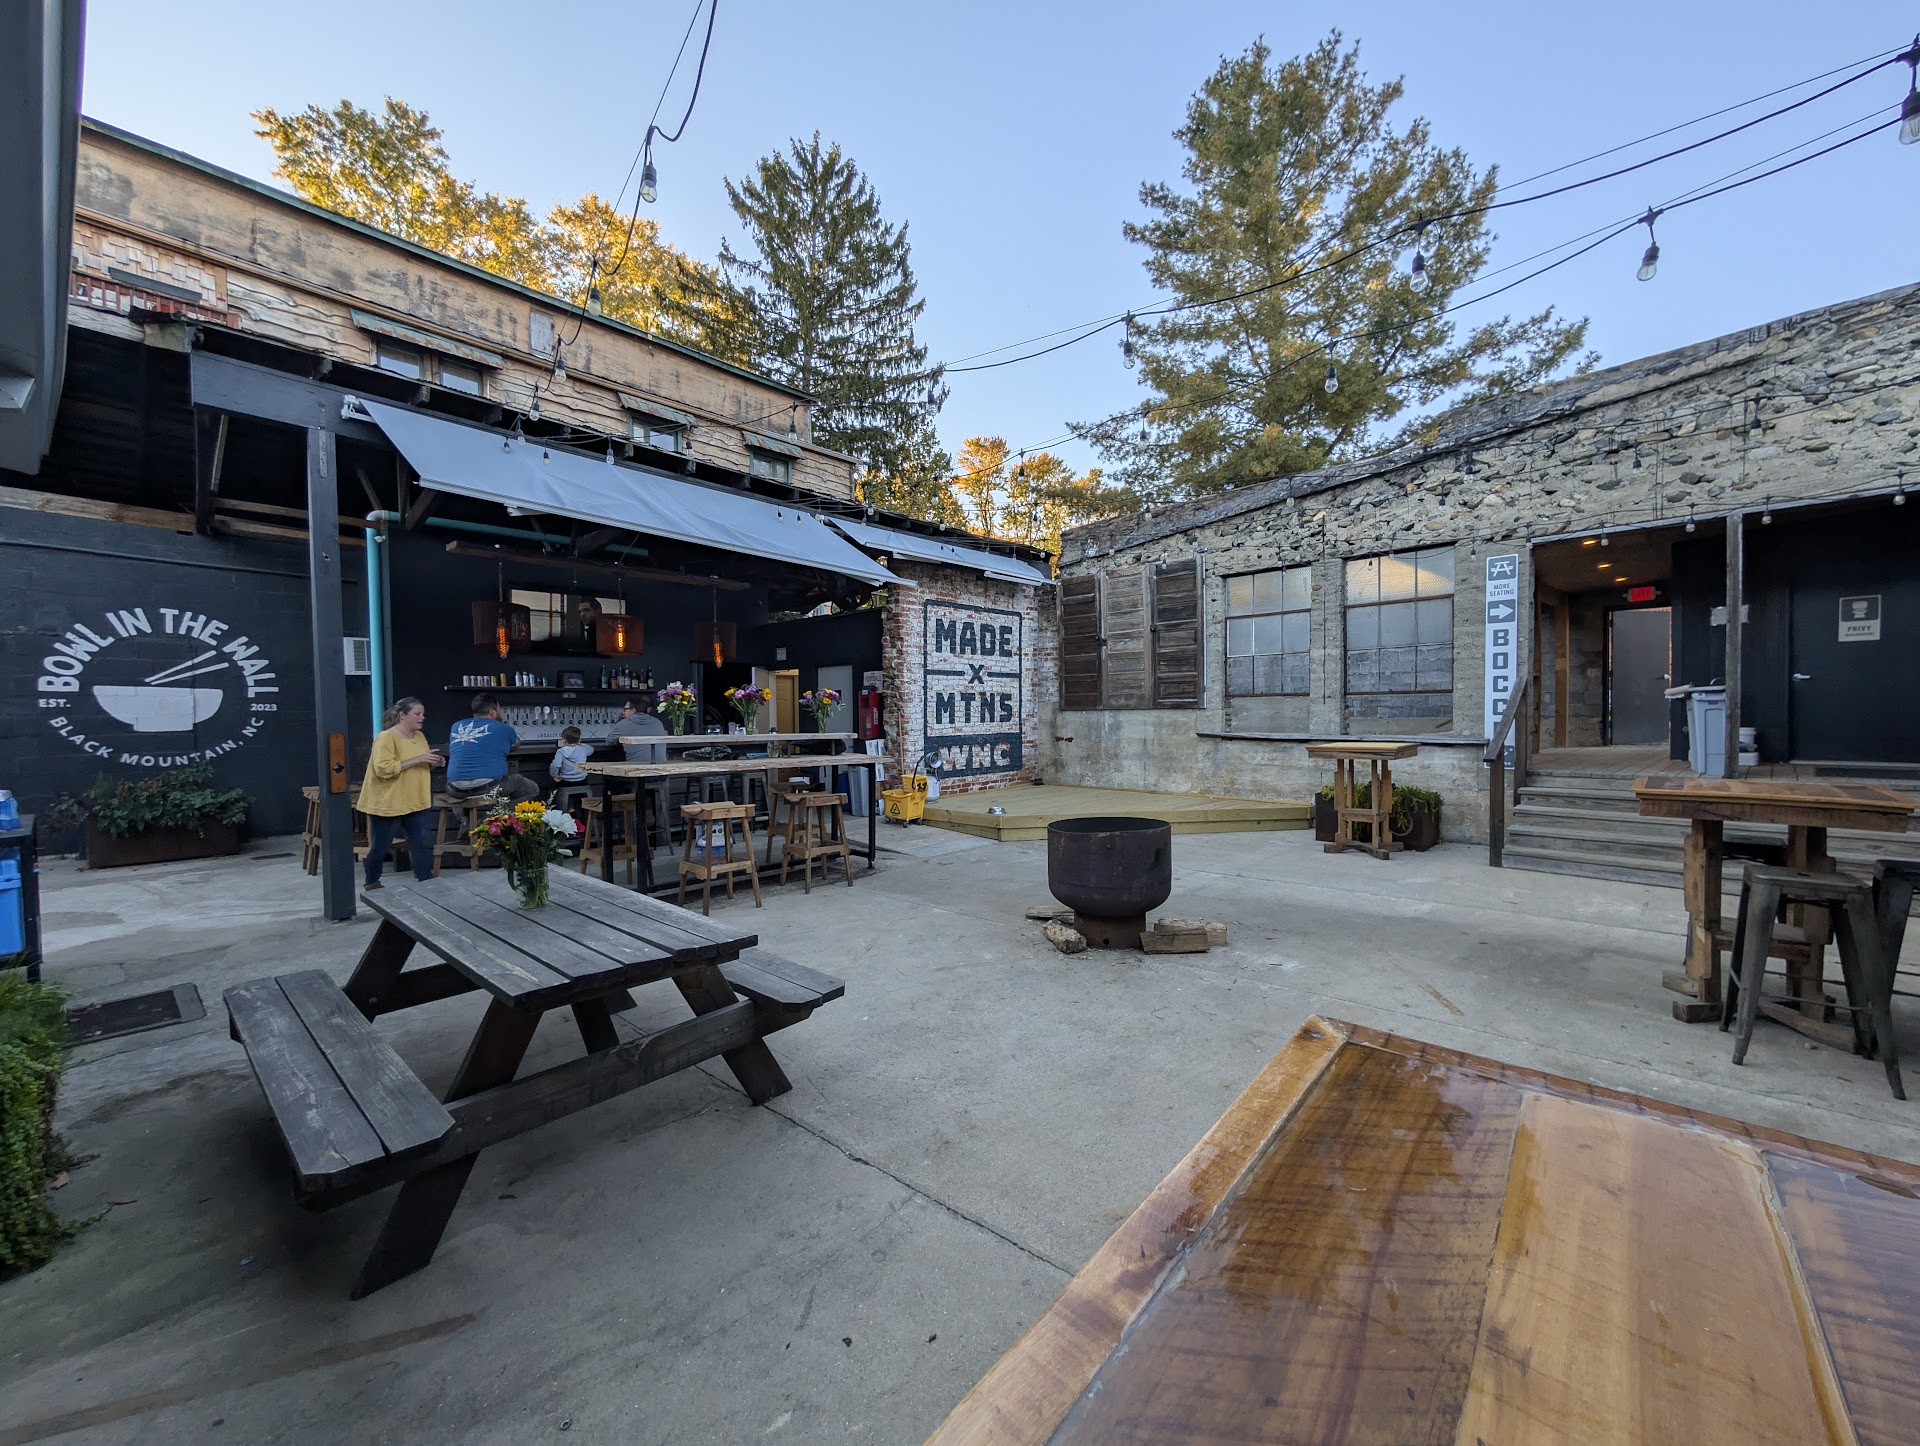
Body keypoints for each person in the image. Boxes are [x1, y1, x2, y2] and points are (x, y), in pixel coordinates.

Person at [358, 696, 444, 890]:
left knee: (420, 842)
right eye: (417, 714)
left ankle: (425, 880)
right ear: (402, 715)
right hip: (389, 802)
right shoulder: (386, 737)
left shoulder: (419, 737)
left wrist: (433, 762)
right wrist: (419, 758)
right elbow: (383, 768)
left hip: (415, 799)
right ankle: (372, 880)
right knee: (381, 845)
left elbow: (419, 763)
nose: (422, 717)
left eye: (423, 714)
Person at [446, 693, 539, 802]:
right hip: (489, 788)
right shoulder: (504, 728)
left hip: (455, 790)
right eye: (499, 709)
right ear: (492, 712)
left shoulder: (456, 726)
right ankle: (500, 813)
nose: (501, 712)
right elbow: (516, 744)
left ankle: (463, 814)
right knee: (530, 788)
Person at [610, 696, 668, 765]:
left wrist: (620, 719)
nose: (623, 712)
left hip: (635, 767)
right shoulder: (658, 722)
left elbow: (610, 741)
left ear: (633, 710)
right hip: (661, 766)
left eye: (625, 709)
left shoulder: (623, 724)